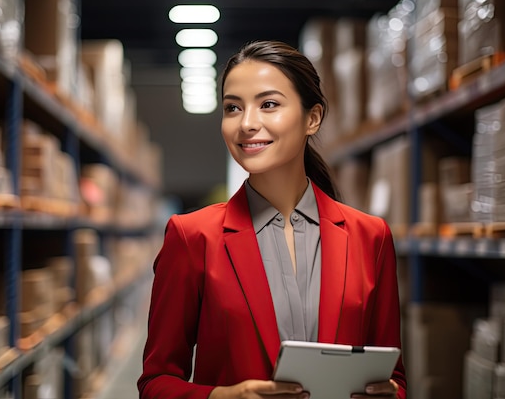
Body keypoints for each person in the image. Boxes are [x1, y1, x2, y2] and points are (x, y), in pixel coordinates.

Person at [138, 40, 407, 399]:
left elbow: (396, 379)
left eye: (268, 105)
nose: (247, 123)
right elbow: (155, 384)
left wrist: (388, 392)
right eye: (233, 108)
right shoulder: (191, 237)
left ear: (313, 118)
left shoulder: (370, 237)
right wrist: (224, 397)